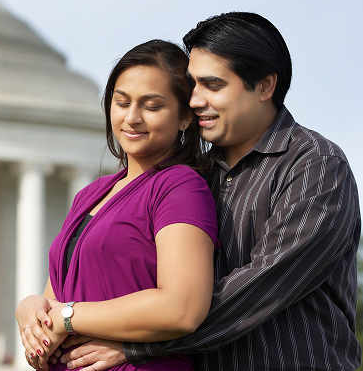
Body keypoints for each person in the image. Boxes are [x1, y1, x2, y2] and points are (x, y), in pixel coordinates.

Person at [56, 12, 361, 370]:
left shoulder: (316, 165)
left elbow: (262, 286)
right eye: (192, 85)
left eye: (212, 85)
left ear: (265, 86)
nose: (195, 99)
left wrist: (137, 343)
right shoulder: (193, 175)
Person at [17, 39, 219, 371]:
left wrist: (67, 318)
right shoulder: (91, 194)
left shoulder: (179, 186)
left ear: (184, 117)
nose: (132, 117)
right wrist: (31, 313)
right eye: (121, 102)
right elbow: (56, 301)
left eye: (152, 106)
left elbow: (182, 308)